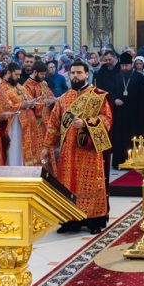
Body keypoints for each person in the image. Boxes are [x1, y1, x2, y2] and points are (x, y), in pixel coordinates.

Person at [41, 60, 112, 234]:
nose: (75, 76)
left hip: (89, 150)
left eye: (79, 73)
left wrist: (87, 123)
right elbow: (53, 124)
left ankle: (94, 220)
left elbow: (107, 120)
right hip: (68, 151)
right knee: (68, 184)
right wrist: (47, 145)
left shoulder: (98, 96)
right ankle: (70, 220)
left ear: (87, 74)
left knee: (91, 184)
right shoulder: (64, 99)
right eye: (72, 73)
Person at [107, 52, 144, 169]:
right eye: (123, 66)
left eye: (127, 66)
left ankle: (135, 162)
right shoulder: (117, 76)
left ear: (131, 65)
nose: (125, 68)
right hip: (120, 115)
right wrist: (115, 99)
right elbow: (112, 92)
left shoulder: (139, 77)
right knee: (120, 138)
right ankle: (120, 162)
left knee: (134, 137)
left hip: (135, 115)